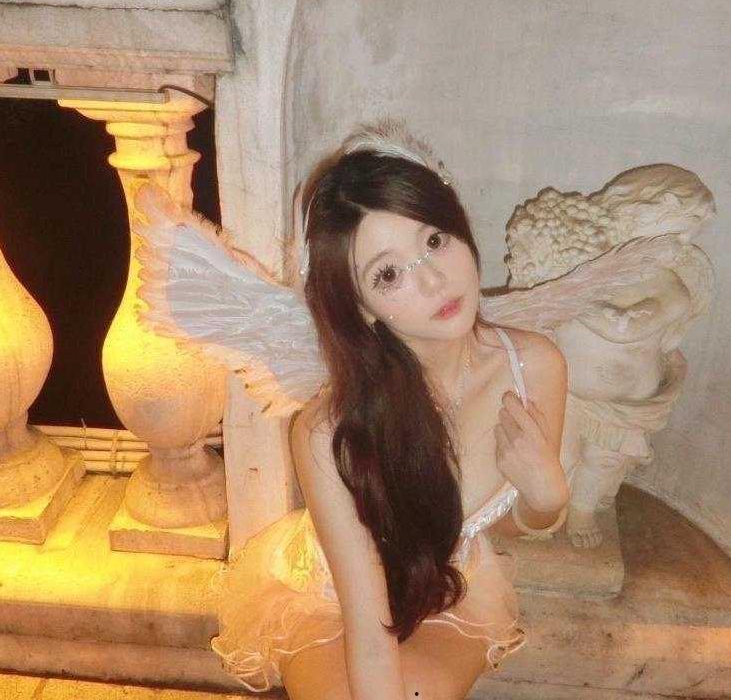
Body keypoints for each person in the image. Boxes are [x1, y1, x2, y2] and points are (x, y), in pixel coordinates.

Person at [209, 128, 571, 700]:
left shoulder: (535, 367)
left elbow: (510, 520)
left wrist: (548, 497)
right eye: (388, 274)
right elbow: (367, 624)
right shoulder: (328, 431)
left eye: (435, 240)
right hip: (332, 598)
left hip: (451, 588)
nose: (433, 280)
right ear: (362, 308)